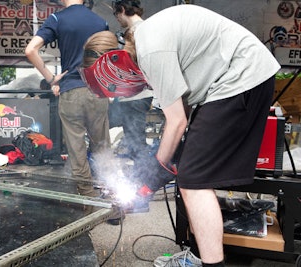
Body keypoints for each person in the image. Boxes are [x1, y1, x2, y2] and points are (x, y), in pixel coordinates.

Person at [80, 4, 281, 266]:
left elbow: (177, 121)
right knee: (188, 172)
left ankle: (211, 263)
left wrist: (155, 170)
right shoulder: (147, 43)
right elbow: (180, 108)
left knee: (193, 180)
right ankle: (200, 255)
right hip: (232, 80)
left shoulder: (150, 50)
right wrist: (165, 155)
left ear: (114, 63)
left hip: (239, 77)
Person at [25, 0, 111, 200]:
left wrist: (51, 78)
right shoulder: (100, 22)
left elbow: (30, 50)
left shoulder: (58, 18)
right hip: (97, 91)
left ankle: (88, 201)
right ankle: (111, 201)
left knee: (76, 150)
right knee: (103, 148)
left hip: (71, 91)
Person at [109, 0, 154, 194]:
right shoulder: (144, 29)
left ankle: (144, 184)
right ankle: (139, 179)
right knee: (134, 139)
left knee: (137, 142)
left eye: (116, 15)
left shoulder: (138, 31)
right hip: (134, 96)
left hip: (137, 95)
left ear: (121, 10)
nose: (117, 20)